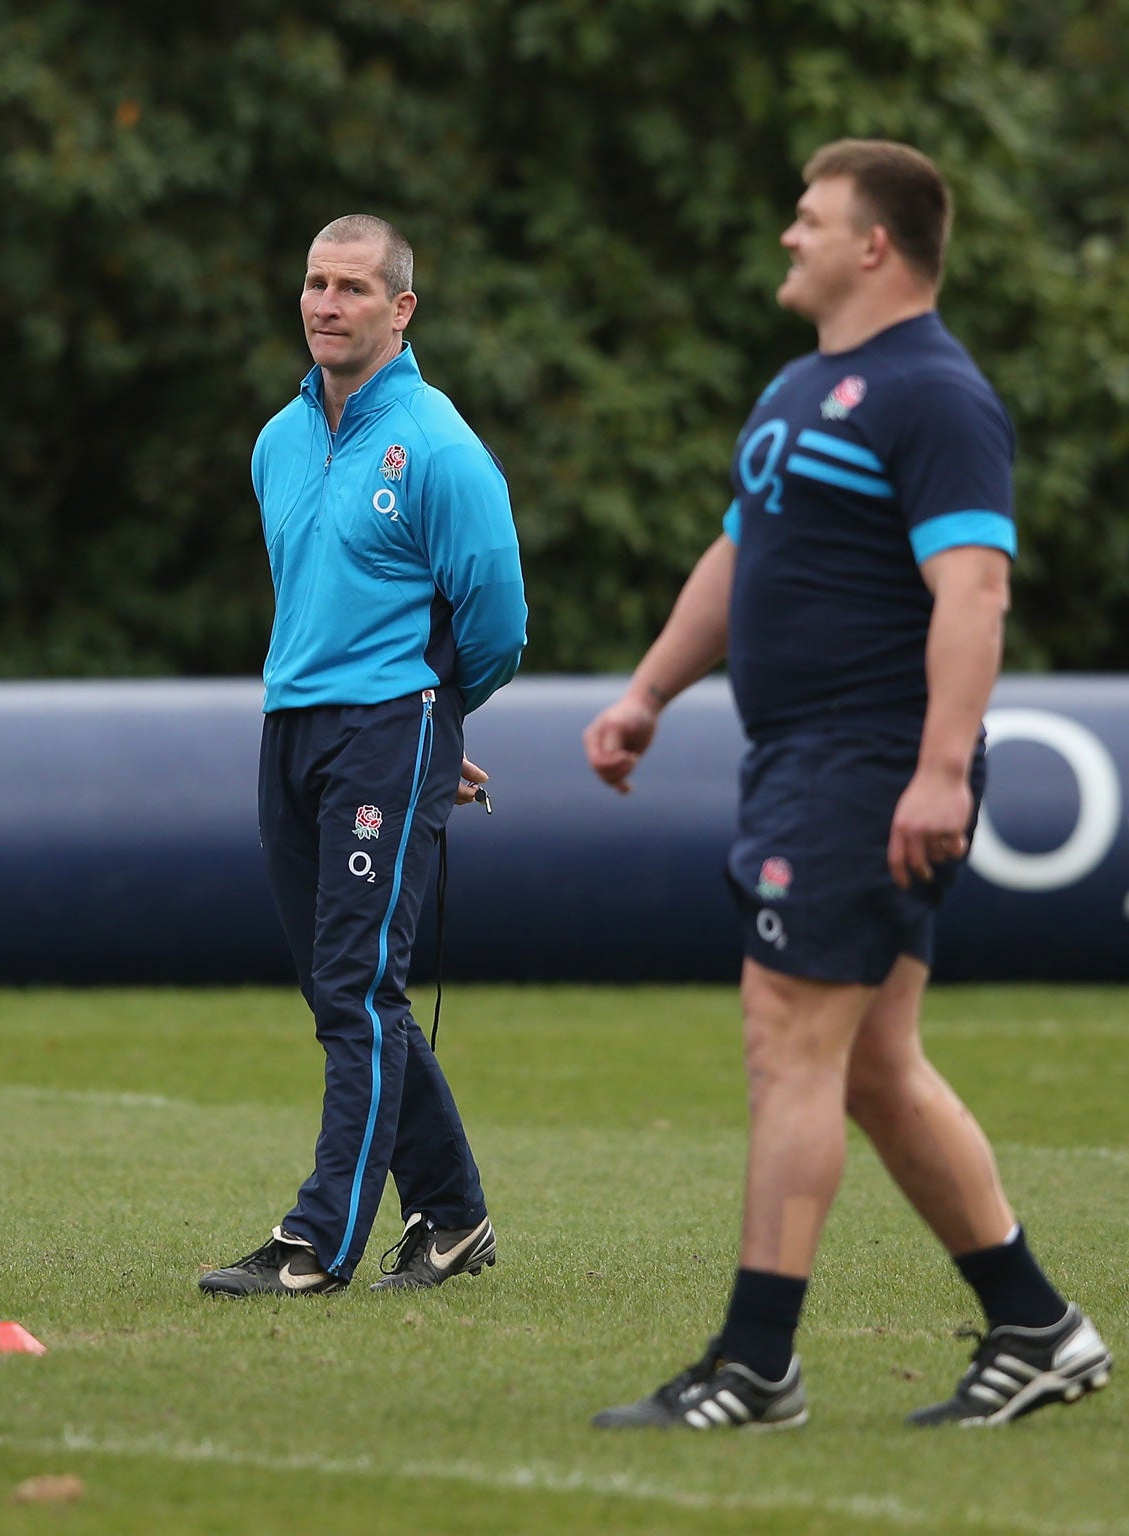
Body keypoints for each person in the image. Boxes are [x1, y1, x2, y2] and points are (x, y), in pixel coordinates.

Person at [584, 140, 1111, 1430]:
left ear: (873, 244)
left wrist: (938, 769)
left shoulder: (933, 395)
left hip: (864, 763)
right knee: (873, 1065)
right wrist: (647, 690)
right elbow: (737, 549)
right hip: (806, 760)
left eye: (807, 218)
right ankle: (1038, 1327)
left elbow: (973, 591)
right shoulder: (800, 388)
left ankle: (754, 1363)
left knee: (787, 1044)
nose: (787, 236)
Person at [200, 215, 526, 1298]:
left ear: (400, 310)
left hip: (388, 724)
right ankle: (452, 1217)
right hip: (289, 725)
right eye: (312, 283)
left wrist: (434, 728)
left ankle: (316, 1243)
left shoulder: (436, 445)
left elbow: (497, 622)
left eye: (349, 287)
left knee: (353, 984)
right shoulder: (273, 440)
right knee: (343, 988)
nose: (324, 304)